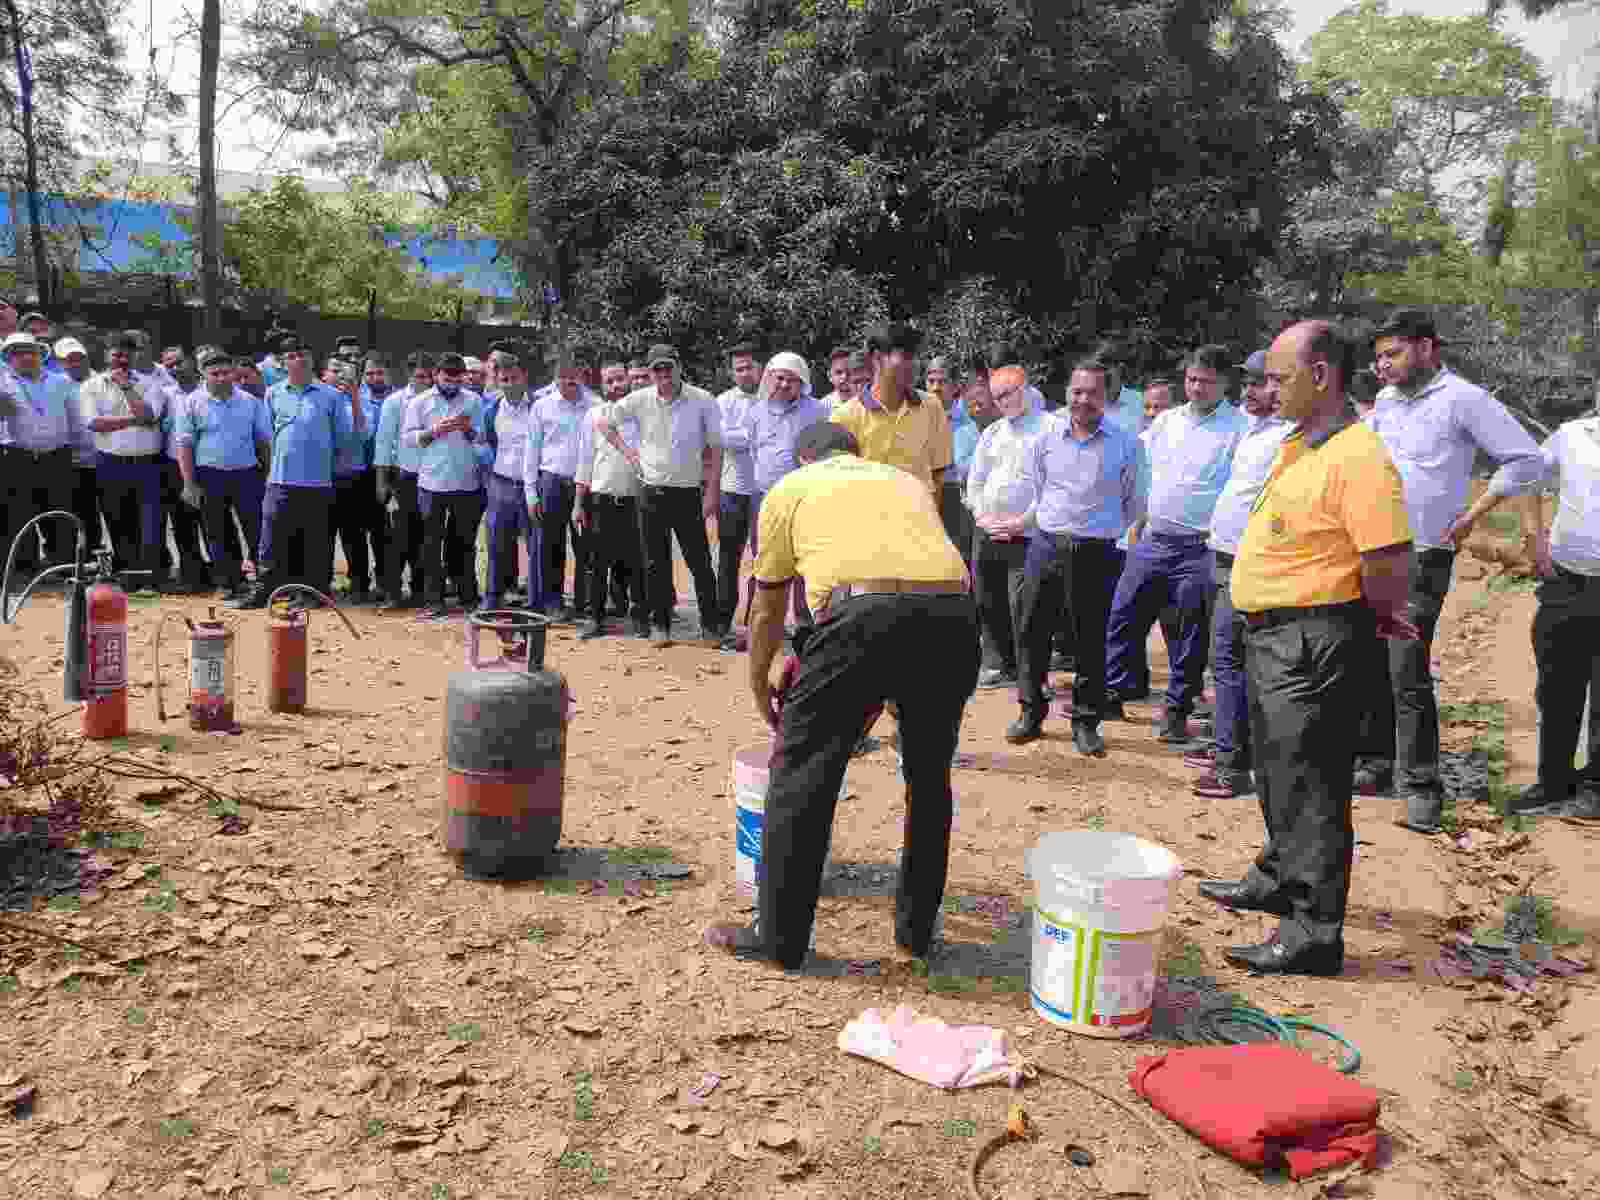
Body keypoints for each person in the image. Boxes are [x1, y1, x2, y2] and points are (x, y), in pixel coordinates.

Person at [703, 420, 977, 970]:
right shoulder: (903, 482)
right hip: (953, 618)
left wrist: (760, 682)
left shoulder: (789, 490)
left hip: (860, 619)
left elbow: (767, 608)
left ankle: (778, 939)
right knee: (928, 776)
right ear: (855, 452)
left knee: (802, 772)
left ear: (804, 458)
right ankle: (916, 932)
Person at [1197, 320, 1415, 977]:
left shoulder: (1358, 456)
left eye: (1280, 377)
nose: (1269, 389)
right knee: (1277, 769)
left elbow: (1388, 556)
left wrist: (1373, 617)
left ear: (1321, 375)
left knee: (1312, 785)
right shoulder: (1301, 444)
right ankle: (1276, 874)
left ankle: (1314, 930)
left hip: (1312, 639)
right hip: (1276, 635)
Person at [1355, 309, 1543, 831]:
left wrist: (1472, 515)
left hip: (1423, 555)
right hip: (1374, 549)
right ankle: (1375, 764)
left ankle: (1422, 788)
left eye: (1392, 354)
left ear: (1427, 348)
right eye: (1378, 358)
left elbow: (1526, 460)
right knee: (1369, 659)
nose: (1384, 366)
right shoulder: (1388, 403)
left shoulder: (1464, 399)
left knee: (1406, 666)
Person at [1451, 413, 1600, 820]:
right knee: (1557, 685)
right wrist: (1532, 534)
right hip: (1566, 580)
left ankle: (1595, 790)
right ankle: (1554, 781)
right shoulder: (1571, 435)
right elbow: (1526, 473)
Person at [1105, 346, 1244, 743]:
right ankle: (1113, 690)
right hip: (1153, 539)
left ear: (1224, 383)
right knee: (1123, 615)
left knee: (1188, 634)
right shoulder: (1167, 421)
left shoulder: (1237, 427)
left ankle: (1177, 709)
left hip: (1200, 546)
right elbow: (1136, 458)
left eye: (1205, 381)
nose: (1196, 387)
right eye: (1192, 379)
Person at [1007, 359, 1142, 753]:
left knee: (1090, 641)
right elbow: (1038, 487)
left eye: (1093, 393)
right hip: (1046, 545)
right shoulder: (1045, 437)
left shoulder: (1126, 443)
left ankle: (1086, 721)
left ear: (1107, 397)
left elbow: (1135, 503)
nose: (1083, 400)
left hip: (1096, 554)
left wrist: (1098, 530)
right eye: (1077, 391)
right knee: (1031, 632)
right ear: (1067, 392)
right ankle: (1030, 712)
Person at [1187, 350, 1291, 798]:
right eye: (1246, 383)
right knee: (1226, 662)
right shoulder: (1254, 428)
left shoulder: (1290, 436)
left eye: (1260, 383)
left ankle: (1232, 767)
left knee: (1230, 661)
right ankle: (1230, 747)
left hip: (1251, 563)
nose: (1249, 391)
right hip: (1224, 555)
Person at [595, 344, 723, 647]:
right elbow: (604, 423)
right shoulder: (638, 399)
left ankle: (711, 626)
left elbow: (716, 449)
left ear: (679, 367)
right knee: (655, 563)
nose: (663, 375)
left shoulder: (703, 400)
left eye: (668, 368)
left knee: (700, 562)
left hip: (688, 492)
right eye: (657, 370)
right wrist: (630, 453)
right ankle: (661, 626)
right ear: (650, 373)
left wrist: (713, 491)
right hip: (650, 491)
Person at [232, 334, 362, 609]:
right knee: (271, 540)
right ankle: (267, 590)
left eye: (303, 354)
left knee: (316, 541)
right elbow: (268, 437)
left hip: (318, 483)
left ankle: (314, 592)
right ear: (283, 362)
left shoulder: (331, 396)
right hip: (280, 480)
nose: (299, 359)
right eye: (292, 356)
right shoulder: (273, 393)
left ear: (312, 359)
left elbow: (342, 439)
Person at [723, 351, 828, 644]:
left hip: (805, 498)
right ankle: (758, 627)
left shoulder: (817, 411)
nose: (783, 384)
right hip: (765, 498)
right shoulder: (756, 411)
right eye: (779, 378)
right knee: (763, 562)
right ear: (769, 378)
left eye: (790, 380)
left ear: (801, 383)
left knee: (805, 563)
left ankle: (806, 629)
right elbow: (755, 449)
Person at [967, 365, 1053, 691]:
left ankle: (1032, 674)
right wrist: (982, 517)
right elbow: (975, 481)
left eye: (1008, 393)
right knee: (988, 601)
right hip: (989, 530)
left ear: (1026, 389)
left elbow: (1052, 486)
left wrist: (1020, 523)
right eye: (997, 396)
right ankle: (1000, 664)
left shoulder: (1050, 428)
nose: (1002, 401)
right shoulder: (993, 432)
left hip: (1029, 532)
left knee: (1026, 605)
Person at [175, 350, 270, 599]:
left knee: (257, 528)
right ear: (203, 375)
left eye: (225, 372)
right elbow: (184, 445)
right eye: (214, 373)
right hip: (209, 476)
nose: (221, 378)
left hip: (247, 474)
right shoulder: (191, 402)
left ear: (233, 373)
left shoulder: (250, 402)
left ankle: (264, 580)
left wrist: (268, 475)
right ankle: (229, 582)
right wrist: (189, 483)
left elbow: (262, 442)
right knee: (217, 531)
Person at [81, 333, 166, 585]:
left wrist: (127, 388)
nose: (122, 359)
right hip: (110, 462)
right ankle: (127, 575)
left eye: (127, 354)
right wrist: (133, 420)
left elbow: (150, 416)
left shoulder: (151, 384)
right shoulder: (92, 385)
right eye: (116, 354)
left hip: (147, 462)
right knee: (118, 521)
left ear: (135, 356)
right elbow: (95, 423)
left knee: (151, 522)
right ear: (106, 355)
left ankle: (151, 576)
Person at [403, 352, 484, 618]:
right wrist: (434, 431)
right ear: (437, 375)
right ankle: (433, 600)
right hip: (431, 482)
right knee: (430, 543)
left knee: (463, 543)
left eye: (458, 377)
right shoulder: (420, 402)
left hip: (465, 482)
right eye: (448, 376)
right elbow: (408, 438)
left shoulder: (473, 401)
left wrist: (466, 429)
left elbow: (481, 438)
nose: (453, 381)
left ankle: (468, 597)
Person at [830, 323, 952, 496]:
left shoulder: (931, 406)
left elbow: (938, 473)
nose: (915, 364)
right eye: (907, 356)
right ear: (877, 358)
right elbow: (839, 485)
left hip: (920, 519)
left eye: (917, 356)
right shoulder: (845, 418)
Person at [575, 362, 647, 639]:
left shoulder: (642, 414)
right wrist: (579, 503)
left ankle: (640, 617)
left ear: (628, 381)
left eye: (620, 380)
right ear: (602, 385)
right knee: (597, 561)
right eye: (610, 381)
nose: (616, 386)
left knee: (637, 560)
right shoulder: (593, 415)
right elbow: (585, 460)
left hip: (636, 498)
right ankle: (595, 617)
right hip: (601, 498)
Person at [523, 352, 597, 617]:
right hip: (551, 480)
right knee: (550, 545)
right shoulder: (542, 407)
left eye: (573, 380)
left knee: (586, 544)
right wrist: (530, 492)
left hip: (584, 482)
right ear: (555, 380)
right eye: (563, 380)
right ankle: (552, 602)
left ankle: (585, 602)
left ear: (581, 378)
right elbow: (531, 450)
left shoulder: (594, 405)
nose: (569, 385)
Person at [0, 330, 80, 570]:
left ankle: (63, 565)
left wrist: (77, 453)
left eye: (29, 352)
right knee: (18, 515)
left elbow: (75, 418)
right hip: (16, 457)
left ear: (39, 354)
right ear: (9, 358)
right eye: (17, 353)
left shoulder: (61, 381)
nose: (25, 357)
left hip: (58, 457)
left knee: (60, 512)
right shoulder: (2, 382)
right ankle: (25, 568)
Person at [375, 351, 433, 610]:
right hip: (403, 477)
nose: (422, 381)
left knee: (425, 538)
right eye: (418, 375)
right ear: (409, 375)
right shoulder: (394, 402)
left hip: (432, 479)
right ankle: (392, 592)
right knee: (398, 536)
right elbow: (384, 444)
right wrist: (381, 481)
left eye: (426, 376)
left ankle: (421, 591)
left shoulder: (437, 401)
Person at [481, 349, 538, 612]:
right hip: (501, 484)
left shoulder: (539, 407)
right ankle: (492, 598)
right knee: (496, 544)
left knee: (535, 544)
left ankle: (537, 602)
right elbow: (489, 442)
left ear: (524, 376)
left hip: (531, 486)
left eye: (514, 378)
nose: (510, 384)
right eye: (504, 380)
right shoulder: (491, 409)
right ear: (498, 381)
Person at [329, 357, 386, 603]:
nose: (340, 377)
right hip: (320, 476)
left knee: (353, 533)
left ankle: (360, 583)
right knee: (323, 533)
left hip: (353, 475)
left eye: (348, 375)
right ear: (324, 374)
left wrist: (353, 397)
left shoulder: (365, 402)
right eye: (335, 371)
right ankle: (320, 583)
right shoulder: (317, 398)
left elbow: (364, 433)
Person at [715, 343, 762, 639]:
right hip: (732, 489)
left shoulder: (773, 399)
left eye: (750, 367)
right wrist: (754, 437)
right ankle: (722, 620)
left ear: (761, 368)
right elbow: (721, 439)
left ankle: (758, 620)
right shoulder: (722, 401)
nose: (745, 373)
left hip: (764, 491)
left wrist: (743, 437)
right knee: (729, 559)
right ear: (731, 372)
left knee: (766, 559)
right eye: (739, 368)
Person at [55, 339, 102, 557]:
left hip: (104, 458)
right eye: (68, 360)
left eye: (78, 358)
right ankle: (74, 558)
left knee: (109, 512)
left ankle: (98, 557)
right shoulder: (55, 383)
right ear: (60, 363)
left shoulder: (102, 380)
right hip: (71, 460)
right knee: (77, 512)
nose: (74, 363)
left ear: (86, 357)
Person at [819, 347, 853, 411]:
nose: (844, 377)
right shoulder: (822, 408)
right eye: (839, 372)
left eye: (850, 371)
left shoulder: (869, 403)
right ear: (829, 376)